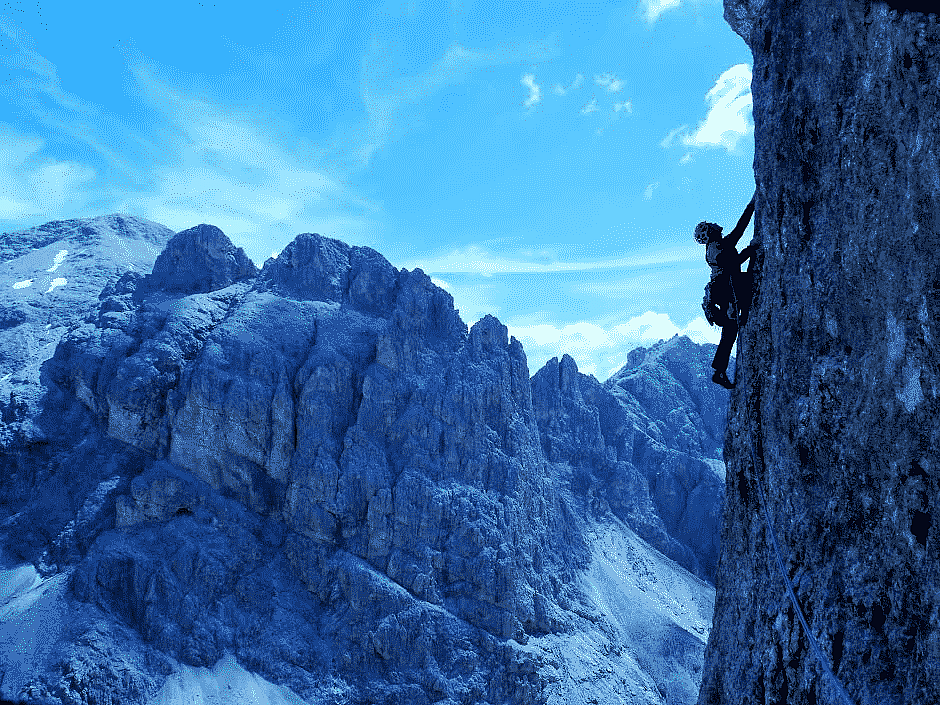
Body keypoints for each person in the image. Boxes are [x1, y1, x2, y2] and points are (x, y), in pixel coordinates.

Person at [695, 193, 757, 389]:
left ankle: (719, 371)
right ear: (710, 232)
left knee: (730, 329)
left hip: (722, 289)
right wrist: (750, 250)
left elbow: (739, 230)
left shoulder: (715, 246)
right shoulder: (718, 247)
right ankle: (719, 371)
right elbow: (733, 263)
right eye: (710, 225)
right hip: (726, 288)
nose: (715, 225)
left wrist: (751, 206)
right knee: (732, 326)